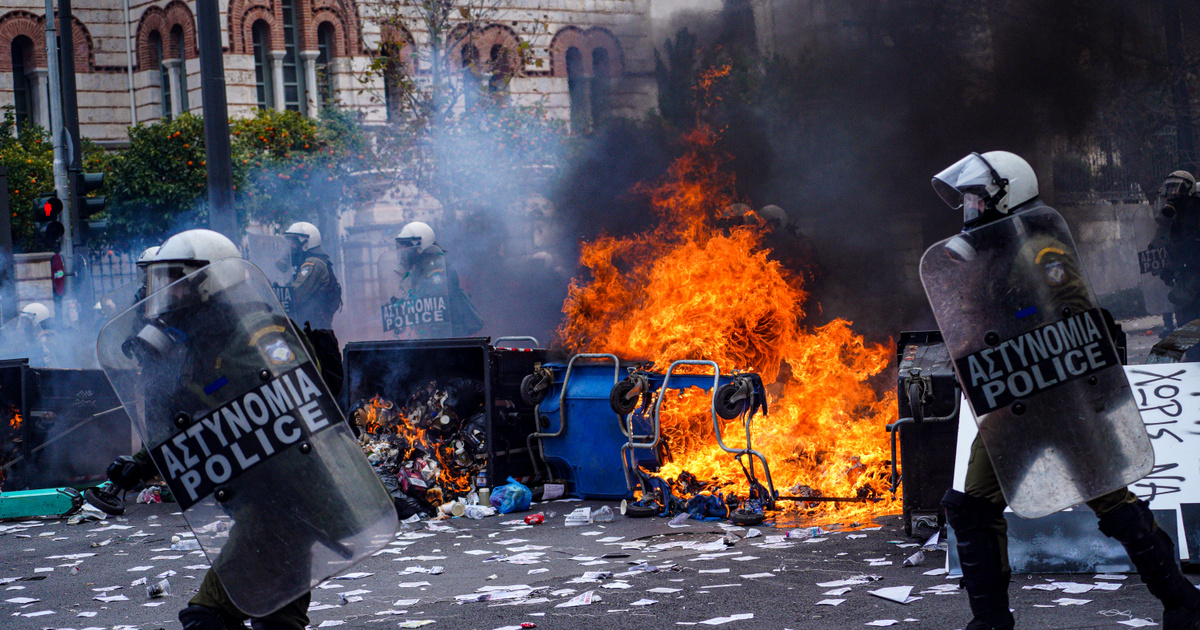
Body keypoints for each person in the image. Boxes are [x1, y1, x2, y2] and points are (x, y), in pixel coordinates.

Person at [927, 151, 1200, 630]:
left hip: (1063, 400)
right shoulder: (998, 253)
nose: (969, 210)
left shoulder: (1041, 252)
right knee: (973, 509)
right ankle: (989, 621)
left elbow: (1075, 322)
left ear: (1005, 195)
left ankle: (1185, 603)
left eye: (976, 200)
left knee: (1114, 505)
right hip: (1013, 403)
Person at [104, 229, 351, 630]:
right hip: (271, 502)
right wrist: (144, 461)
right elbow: (204, 422)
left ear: (212, 280)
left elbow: (257, 412)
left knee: (208, 617)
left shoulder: (258, 334)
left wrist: (151, 457)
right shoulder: (206, 342)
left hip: (288, 502)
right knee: (277, 620)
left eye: (177, 282)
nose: (169, 294)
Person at [393, 221, 483, 338]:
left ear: (422, 244)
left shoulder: (435, 269)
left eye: (408, 246)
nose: (404, 251)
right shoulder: (421, 269)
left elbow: (437, 309)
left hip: (447, 338)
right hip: (435, 337)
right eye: (402, 245)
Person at [1148, 171, 1200, 346]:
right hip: (1186, 275)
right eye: (1169, 189)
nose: (1173, 194)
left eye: (1177, 189)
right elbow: (1164, 242)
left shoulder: (1195, 211)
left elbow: (1189, 245)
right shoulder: (1175, 214)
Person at [281, 222, 342, 330]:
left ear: (306, 243)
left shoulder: (313, 264)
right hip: (307, 328)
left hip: (314, 333)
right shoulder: (305, 263)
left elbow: (295, 293)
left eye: (294, 242)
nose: (291, 246)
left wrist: (275, 298)